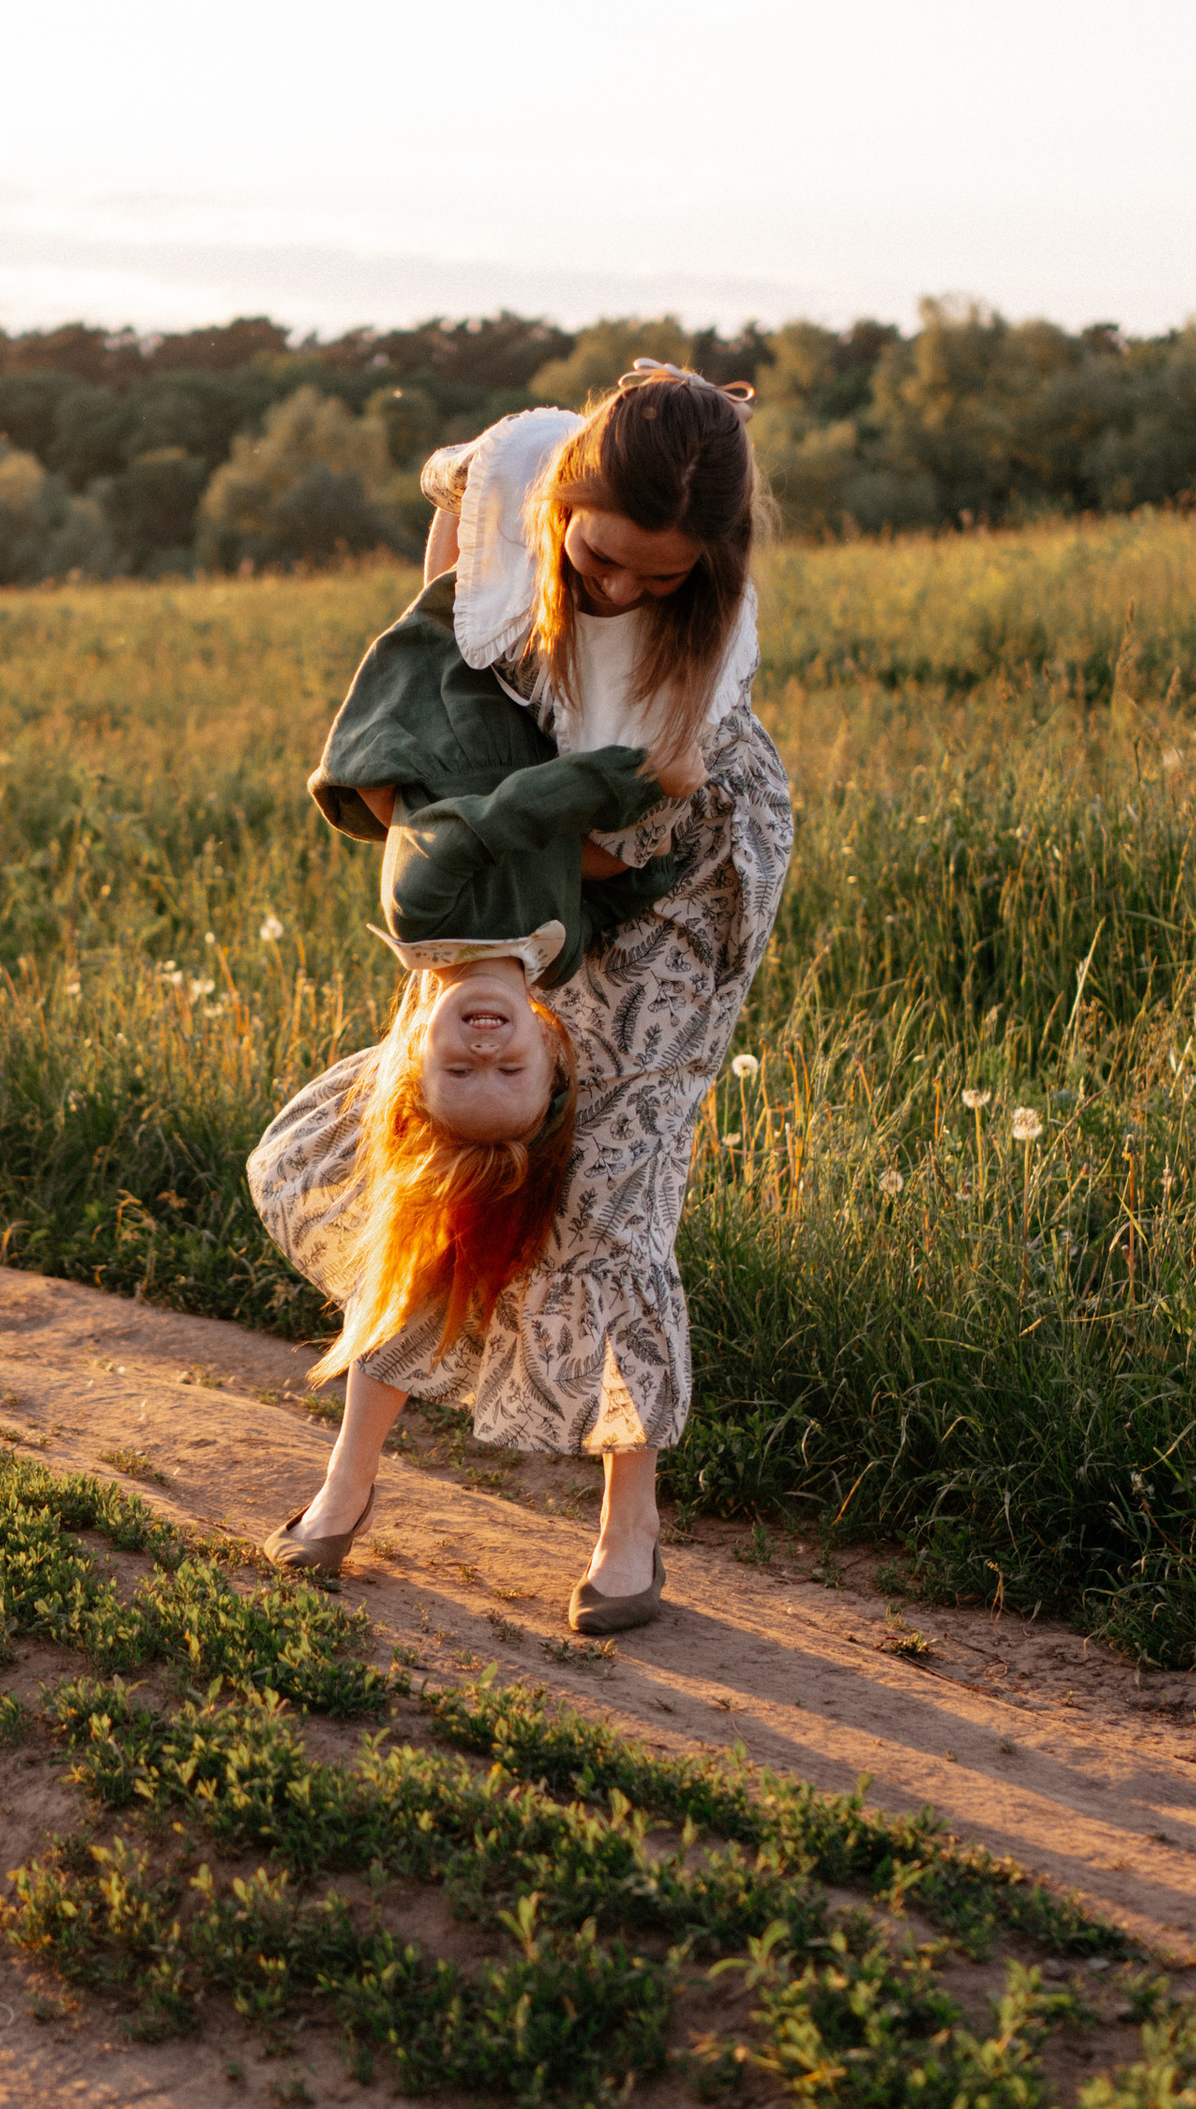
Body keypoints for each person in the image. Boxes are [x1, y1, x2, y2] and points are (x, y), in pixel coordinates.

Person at [249, 360, 792, 1633]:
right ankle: (345, 1482)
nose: (616, 590)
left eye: (659, 579)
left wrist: (491, 873)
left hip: (670, 856)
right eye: (600, 557)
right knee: (438, 1129)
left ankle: (630, 1527)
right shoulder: (524, 464)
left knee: (611, 1172)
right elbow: (459, 498)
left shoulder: (699, 663)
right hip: (525, 811)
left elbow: (614, 848)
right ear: (569, 490)